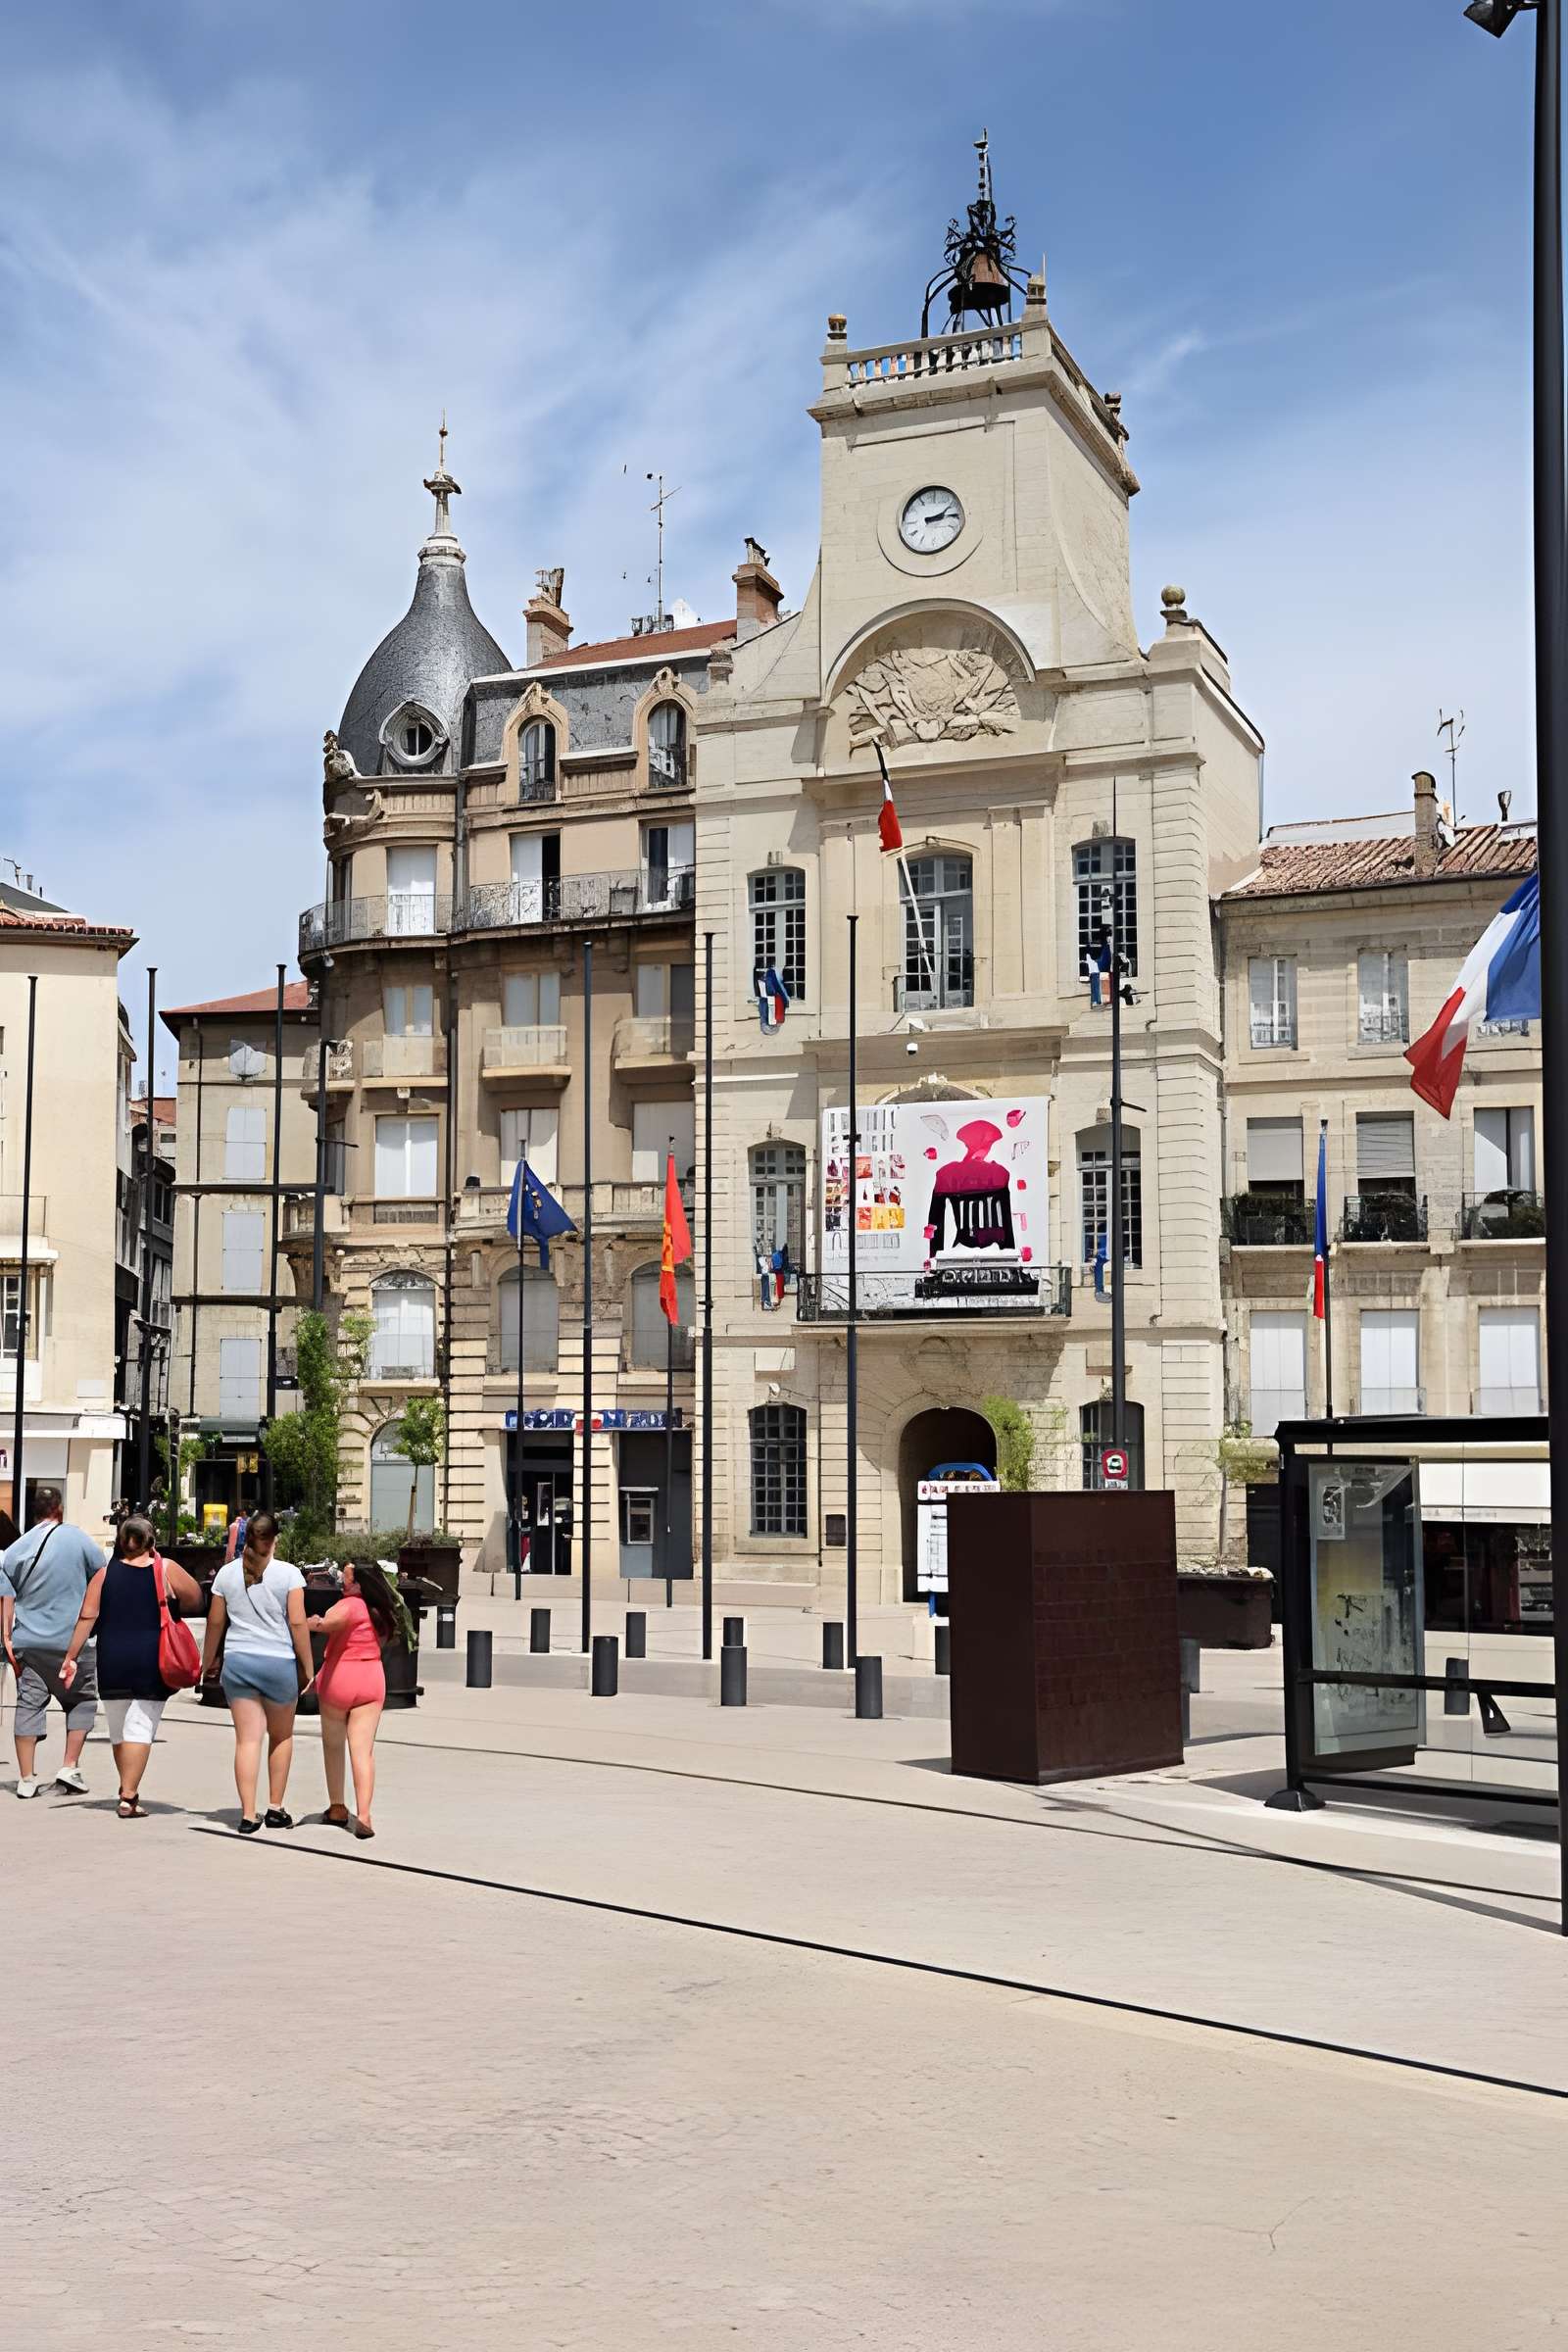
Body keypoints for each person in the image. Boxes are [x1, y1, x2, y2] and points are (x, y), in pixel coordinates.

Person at [58, 1516, 204, 1817]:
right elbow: (195, 1598)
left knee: (119, 1729)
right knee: (141, 1726)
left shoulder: (104, 1574)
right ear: (151, 1540)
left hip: (112, 1658)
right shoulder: (165, 1569)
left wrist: (70, 1656)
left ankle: (125, 1788)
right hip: (152, 1658)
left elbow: (87, 1617)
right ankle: (129, 1795)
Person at [201, 1510, 314, 1835]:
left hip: (239, 1663)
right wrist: (308, 1667)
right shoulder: (289, 1575)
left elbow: (215, 1623)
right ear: (276, 1539)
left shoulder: (225, 1575)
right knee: (281, 1736)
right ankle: (275, 1808)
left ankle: (248, 1814)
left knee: (247, 1741)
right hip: (278, 1662)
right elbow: (297, 1622)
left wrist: (206, 1661)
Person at [0, 1486, 105, 1797]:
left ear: (34, 1512)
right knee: (82, 1700)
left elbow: (6, 1600)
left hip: (29, 1643)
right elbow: (101, 1573)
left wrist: (7, 1639)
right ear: (59, 1509)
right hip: (70, 1641)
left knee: (29, 1704)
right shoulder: (78, 1538)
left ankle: (26, 1779)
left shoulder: (16, 1550)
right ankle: (69, 1767)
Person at [313, 1554, 408, 1839]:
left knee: (333, 1745)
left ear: (359, 1583)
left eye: (346, 1577)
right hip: (371, 1679)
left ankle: (338, 1808)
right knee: (363, 1751)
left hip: (339, 1679)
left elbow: (328, 1624)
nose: (342, 1580)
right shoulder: (378, 1611)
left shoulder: (349, 1605)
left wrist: (308, 1621)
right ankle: (364, 1813)